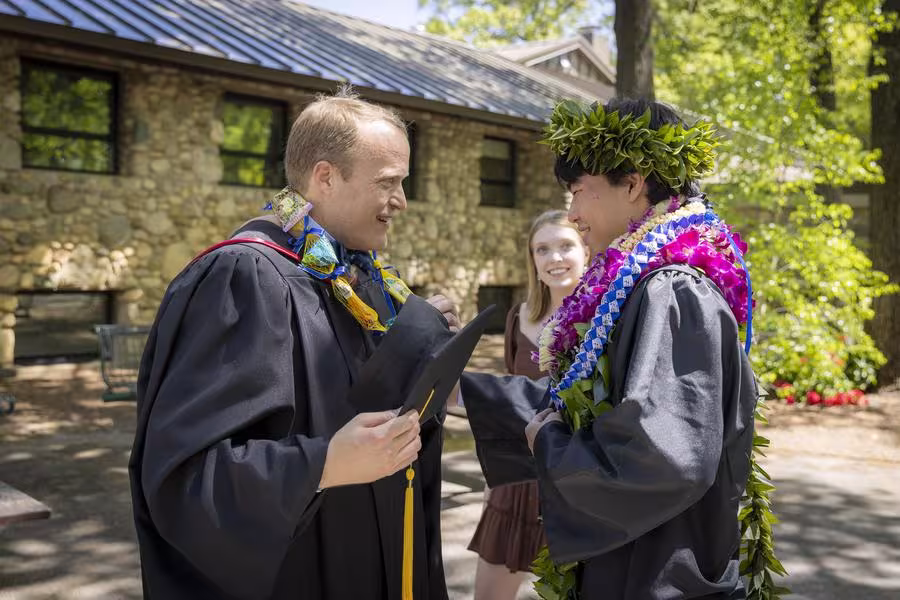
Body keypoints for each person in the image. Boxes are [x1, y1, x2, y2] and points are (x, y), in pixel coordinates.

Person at [129, 88, 459, 600]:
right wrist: (325, 462)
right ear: (325, 177)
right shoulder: (243, 277)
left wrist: (419, 340)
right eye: (388, 183)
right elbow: (187, 477)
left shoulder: (349, 272)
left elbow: (354, 399)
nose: (401, 201)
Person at [461, 98, 760, 599]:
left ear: (634, 183)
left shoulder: (674, 291)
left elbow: (666, 457)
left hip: (657, 571)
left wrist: (549, 444)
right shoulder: (640, 283)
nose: (573, 214)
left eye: (580, 191)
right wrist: (463, 392)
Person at [468, 210, 586, 600]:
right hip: (516, 481)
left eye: (565, 246)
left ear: (585, 250)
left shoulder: (602, 320)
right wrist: (491, 481)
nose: (555, 258)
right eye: (543, 249)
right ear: (532, 260)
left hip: (575, 485)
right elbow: (505, 407)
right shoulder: (518, 317)